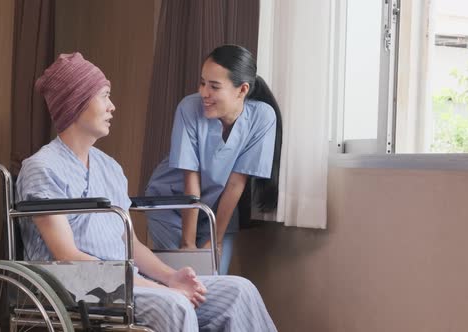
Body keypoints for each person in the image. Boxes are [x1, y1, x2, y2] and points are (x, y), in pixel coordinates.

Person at [16, 52, 277, 332]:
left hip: (123, 283)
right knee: (175, 305)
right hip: (78, 285)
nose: (112, 106)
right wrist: (156, 286)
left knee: (239, 291)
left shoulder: (110, 168)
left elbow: (132, 245)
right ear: (75, 103)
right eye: (104, 96)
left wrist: (171, 276)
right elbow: (67, 257)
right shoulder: (42, 168)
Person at [145, 44, 282, 275]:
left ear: (242, 90)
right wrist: (188, 245)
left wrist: (215, 240)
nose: (204, 93)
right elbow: (191, 177)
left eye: (214, 86)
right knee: (185, 279)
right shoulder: (188, 109)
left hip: (218, 212)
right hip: (171, 204)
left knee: (215, 280)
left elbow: (236, 183)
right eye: (202, 83)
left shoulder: (262, 117)